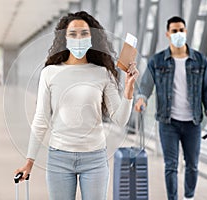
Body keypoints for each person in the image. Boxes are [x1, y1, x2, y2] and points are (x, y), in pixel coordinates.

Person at [15, 11, 139, 200]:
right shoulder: (50, 73)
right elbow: (41, 119)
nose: (78, 38)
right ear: (64, 38)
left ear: (92, 37)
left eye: (84, 33)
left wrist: (129, 89)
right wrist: (29, 162)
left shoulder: (102, 73)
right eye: (73, 34)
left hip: (95, 159)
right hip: (59, 159)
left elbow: (120, 120)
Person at [134, 16, 207, 200]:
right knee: (170, 165)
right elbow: (146, 85)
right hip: (168, 122)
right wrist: (142, 100)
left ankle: (189, 197)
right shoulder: (157, 61)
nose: (178, 34)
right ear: (167, 34)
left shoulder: (200, 61)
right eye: (174, 31)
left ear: (186, 32)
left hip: (193, 122)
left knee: (192, 165)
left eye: (181, 30)